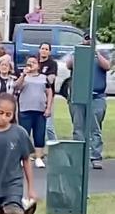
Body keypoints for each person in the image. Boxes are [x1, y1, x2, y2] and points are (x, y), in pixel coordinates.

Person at [0, 93, 37, 209]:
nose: (4, 117)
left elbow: (26, 160)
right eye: (0, 113)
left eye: (8, 114)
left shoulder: (19, 133)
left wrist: (31, 188)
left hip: (13, 187)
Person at [66, 35, 111, 170]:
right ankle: (79, 157)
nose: (88, 41)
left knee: (95, 129)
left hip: (96, 97)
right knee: (78, 128)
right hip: (79, 97)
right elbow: (69, 64)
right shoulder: (78, 52)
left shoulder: (101, 54)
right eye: (86, 39)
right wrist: (81, 50)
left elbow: (107, 66)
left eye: (91, 39)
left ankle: (95, 157)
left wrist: (95, 52)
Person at [15, 56, 52, 169]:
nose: (31, 64)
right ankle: (23, 157)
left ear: (38, 65)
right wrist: (23, 75)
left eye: (34, 62)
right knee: (24, 134)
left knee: (39, 134)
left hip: (40, 110)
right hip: (25, 109)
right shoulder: (24, 77)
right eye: (29, 62)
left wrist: (48, 107)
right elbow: (16, 87)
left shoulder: (43, 78)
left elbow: (49, 92)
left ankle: (39, 157)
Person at [37, 42, 58, 142]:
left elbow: (51, 79)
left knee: (48, 126)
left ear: (49, 52)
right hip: (35, 96)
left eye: (46, 49)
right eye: (42, 48)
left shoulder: (52, 64)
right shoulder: (35, 62)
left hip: (47, 97)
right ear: (39, 50)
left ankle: (55, 147)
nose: (44, 51)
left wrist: (38, 77)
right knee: (37, 126)